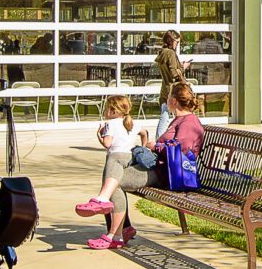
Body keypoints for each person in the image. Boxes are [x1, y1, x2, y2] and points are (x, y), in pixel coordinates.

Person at [87, 81, 206, 251]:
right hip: (160, 167)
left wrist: (155, 146)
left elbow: (182, 150)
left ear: (174, 100)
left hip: (166, 174)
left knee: (114, 182)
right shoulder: (180, 120)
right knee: (112, 173)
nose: (166, 99)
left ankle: (115, 235)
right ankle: (122, 228)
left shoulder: (189, 122)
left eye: (168, 96)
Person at [76, 94, 145, 223]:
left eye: (106, 108)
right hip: (129, 157)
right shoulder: (133, 123)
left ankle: (102, 200)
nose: (104, 111)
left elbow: (107, 144)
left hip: (115, 157)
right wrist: (143, 147)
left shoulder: (111, 124)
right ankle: (125, 226)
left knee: (109, 185)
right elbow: (144, 133)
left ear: (113, 111)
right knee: (115, 186)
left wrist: (99, 135)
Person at [153, 29, 187, 107]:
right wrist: (183, 67)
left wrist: (178, 65)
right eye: (176, 42)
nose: (178, 44)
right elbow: (174, 73)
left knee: (164, 112)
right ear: (170, 41)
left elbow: (168, 68)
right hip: (173, 90)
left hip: (164, 89)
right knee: (178, 113)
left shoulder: (163, 52)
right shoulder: (171, 53)